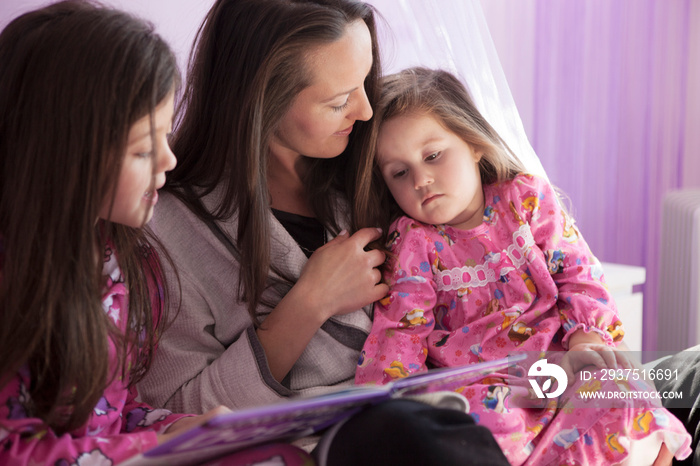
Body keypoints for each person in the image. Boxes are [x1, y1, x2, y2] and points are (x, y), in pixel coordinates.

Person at [138, 0, 509, 464]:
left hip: (438, 413)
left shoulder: (383, 171)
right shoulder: (169, 230)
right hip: (309, 444)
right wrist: (310, 303)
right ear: (261, 101)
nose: (367, 110)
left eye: (365, 81)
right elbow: (175, 412)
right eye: (338, 101)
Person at [0, 2, 311, 465]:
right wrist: (155, 445)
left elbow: (112, 415)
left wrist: (175, 427)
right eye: (145, 149)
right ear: (66, 153)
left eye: (167, 137)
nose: (169, 161)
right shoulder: (15, 286)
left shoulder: (128, 264)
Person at [352, 66, 692, 465]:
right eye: (400, 172)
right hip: (490, 383)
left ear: (473, 144)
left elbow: (579, 274)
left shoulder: (525, 199)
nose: (421, 179)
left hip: (562, 360)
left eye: (433, 155)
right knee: (488, 420)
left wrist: (587, 341)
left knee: (622, 388)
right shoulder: (413, 241)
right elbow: (400, 334)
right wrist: (391, 404)